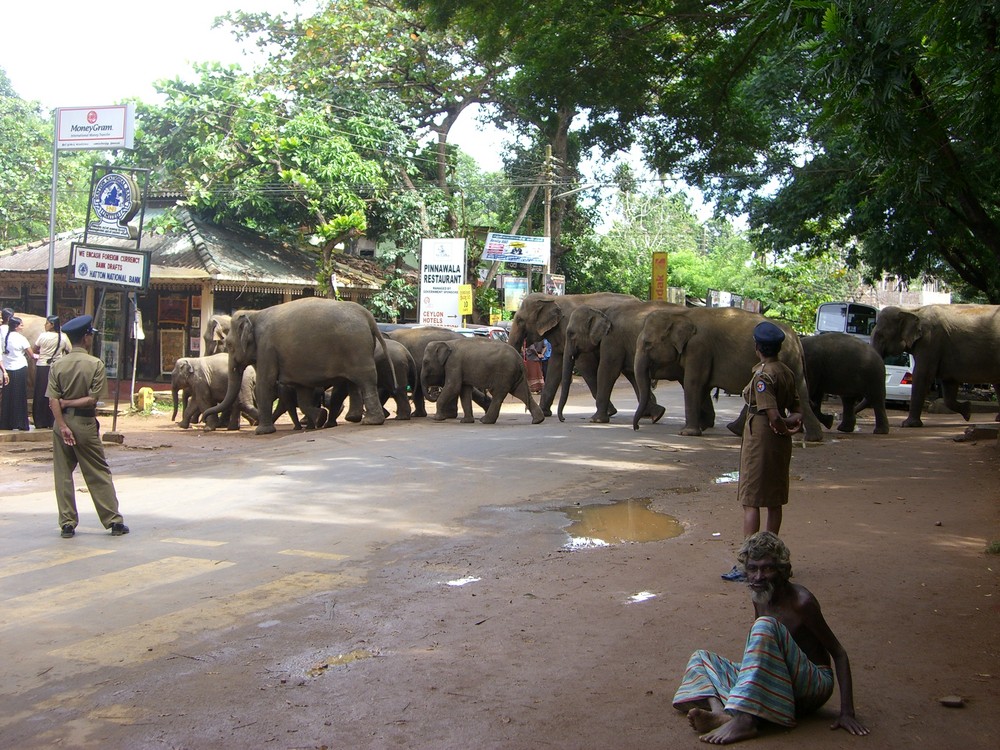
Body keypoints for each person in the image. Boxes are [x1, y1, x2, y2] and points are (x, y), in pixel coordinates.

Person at [674, 532, 869, 744]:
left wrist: (847, 712)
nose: (758, 577)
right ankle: (720, 712)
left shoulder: (802, 603)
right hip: (778, 677)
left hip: (812, 685)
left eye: (767, 568)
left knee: (764, 625)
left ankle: (745, 720)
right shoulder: (760, 597)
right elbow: (760, 649)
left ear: (782, 570)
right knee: (701, 659)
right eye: (752, 568)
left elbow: (839, 653)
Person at [722, 322, 802, 582]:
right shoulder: (786, 371)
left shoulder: (763, 376)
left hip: (762, 441)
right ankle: (773, 559)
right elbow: (797, 409)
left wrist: (782, 426)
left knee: (751, 499)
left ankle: (749, 562)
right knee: (774, 500)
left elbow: (774, 415)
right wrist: (792, 425)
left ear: (757, 348)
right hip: (779, 443)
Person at [46, 314, 129, 538]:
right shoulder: (95, 364)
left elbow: (53, 401)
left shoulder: (58, 365)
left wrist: (62, 424)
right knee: (97, 471)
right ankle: (113, 520)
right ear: (86, 338)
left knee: (63, 474)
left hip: (61, 421)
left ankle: (67, 523)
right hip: (84, 422)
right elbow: (92, 400)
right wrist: (71, 403)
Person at [32, 315, 71, 429]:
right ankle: (52, 420)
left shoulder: (43, 336)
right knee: (54, 394)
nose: (45, 325)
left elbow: (35, 349)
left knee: (40, 393)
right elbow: (70, 351)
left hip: (42, 367)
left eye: (47, 323)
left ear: (52, 325)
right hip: (56, 367)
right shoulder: (63, 337)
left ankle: (39, 421)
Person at [1, 316, 36, 431]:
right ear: (16, 327)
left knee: (7, 397)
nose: (23, 327)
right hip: (20, 369)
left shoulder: (5, 338)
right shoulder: (21, 338)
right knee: (20, 396)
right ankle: (20, 422)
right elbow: (31, 355)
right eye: (21, 325)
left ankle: (5, 423)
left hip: (7, 370)